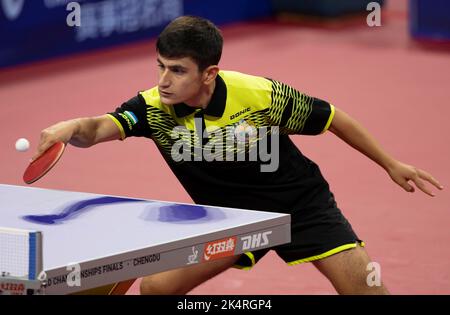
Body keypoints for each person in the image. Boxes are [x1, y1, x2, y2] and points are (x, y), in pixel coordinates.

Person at [32, 16, 443, 295]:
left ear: (208, 73)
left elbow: (334, 117)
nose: (163, 81)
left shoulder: (260, 95)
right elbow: (101, 127)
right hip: (228, 218)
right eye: (159, 66)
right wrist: (72, 128)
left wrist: (391, 163)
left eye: (177, 70)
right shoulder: (153, 107)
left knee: (365, 287)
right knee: (156, 288)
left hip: (299, 206)